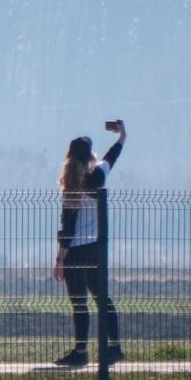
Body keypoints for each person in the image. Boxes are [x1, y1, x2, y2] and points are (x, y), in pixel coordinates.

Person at [53, 119, 126, 367]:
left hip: (75, 252)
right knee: (102, 299)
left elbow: (67, 228)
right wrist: (122, 137)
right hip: (97, 249)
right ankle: (114, 348)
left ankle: (81, 352)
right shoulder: (97, 179)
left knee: (79, 304)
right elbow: (110, 158)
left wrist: (60, 259)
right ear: (89, 156)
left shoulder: (70, 188)